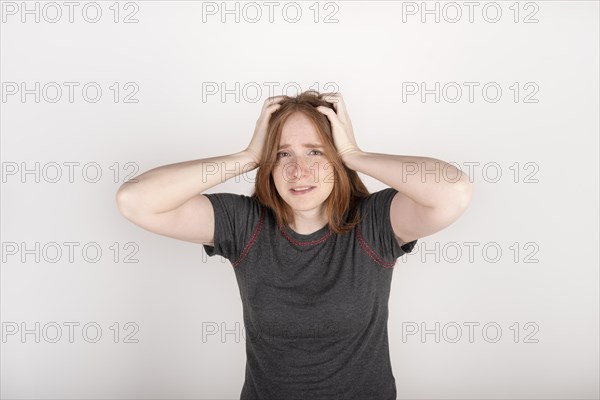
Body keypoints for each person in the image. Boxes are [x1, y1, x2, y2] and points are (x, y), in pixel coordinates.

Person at [115, 90, 473, 399]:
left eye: (316, 152)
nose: (298, 170)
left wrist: (354, 153)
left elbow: (453, 191)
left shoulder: (375, 223)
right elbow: (135, 200)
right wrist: (246, 157)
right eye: (283, 154)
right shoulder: (245, 224)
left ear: (336, 161)